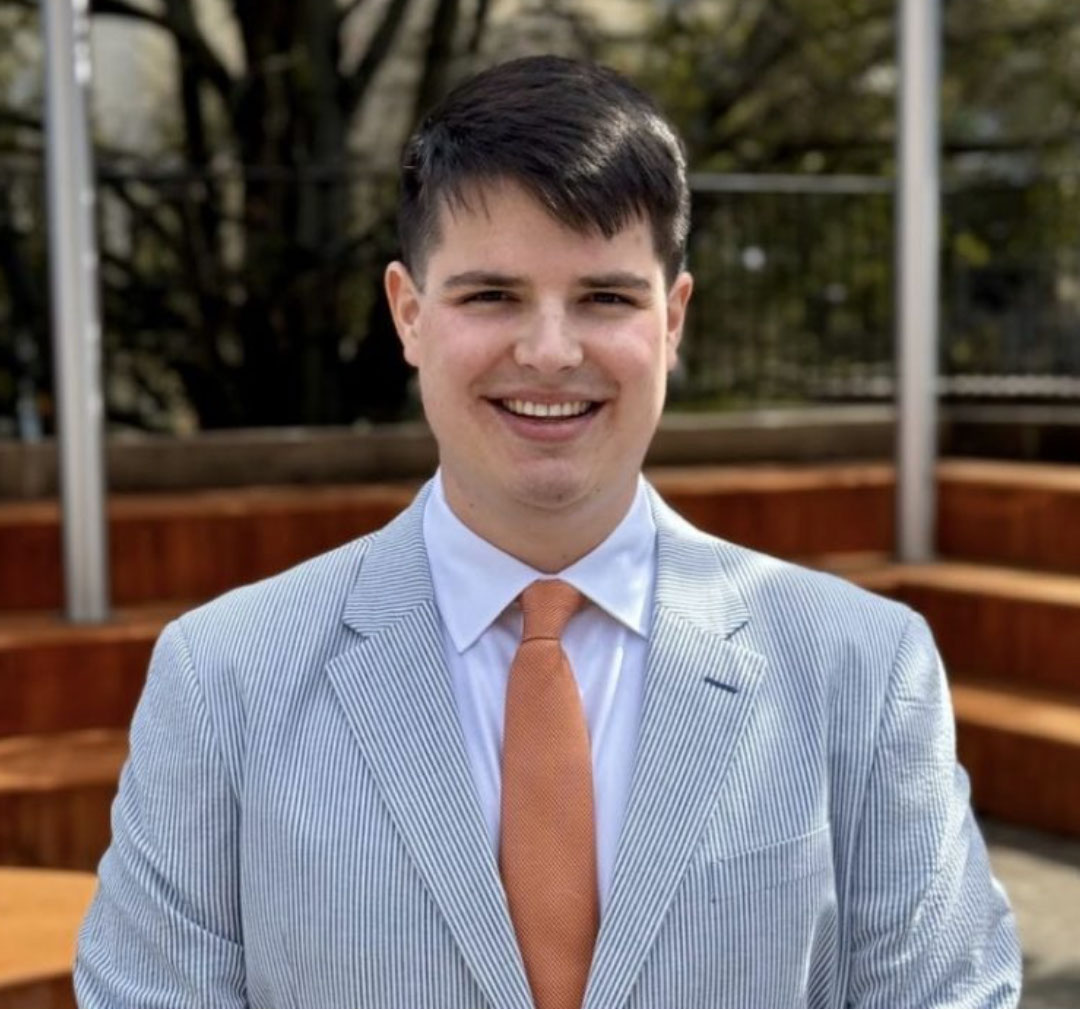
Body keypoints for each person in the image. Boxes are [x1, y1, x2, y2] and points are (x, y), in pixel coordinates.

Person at [75, 55, 1021, 1009]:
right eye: (491, 296)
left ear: (672, 321)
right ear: (410, 314)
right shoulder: (223, 677)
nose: (551, 351)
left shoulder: (865, 668)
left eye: (606, 298)